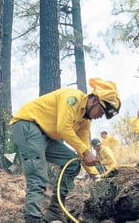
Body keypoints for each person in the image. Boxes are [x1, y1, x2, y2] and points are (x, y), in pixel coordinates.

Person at [9, 78, 121, 223]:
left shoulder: (85, 121)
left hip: (45, 134)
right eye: (101, 111)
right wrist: (86, 152)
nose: (100, 116)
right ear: (94, 100)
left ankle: (55, 211)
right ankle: (33, 218)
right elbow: (64, 128)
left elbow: (83, 147)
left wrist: (95, 176)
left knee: (72, 163)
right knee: (38, 176)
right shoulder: (72, 98)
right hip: (27, 125)